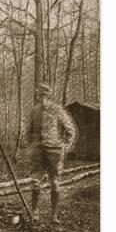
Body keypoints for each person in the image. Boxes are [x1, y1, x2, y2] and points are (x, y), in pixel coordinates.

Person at [26, 84, 77, 223]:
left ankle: (53, 215)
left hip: (55, 151)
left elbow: (70, 130)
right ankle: (35, 213)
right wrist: (31, 146)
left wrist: (65, 146)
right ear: (37, 97)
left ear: (49, 96)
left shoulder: (57, 110)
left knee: (54, 182)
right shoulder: (34, 111)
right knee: (35, 181)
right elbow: (28, 132)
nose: (42, 99)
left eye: (45, 96)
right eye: (40, 96)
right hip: (37, 152)